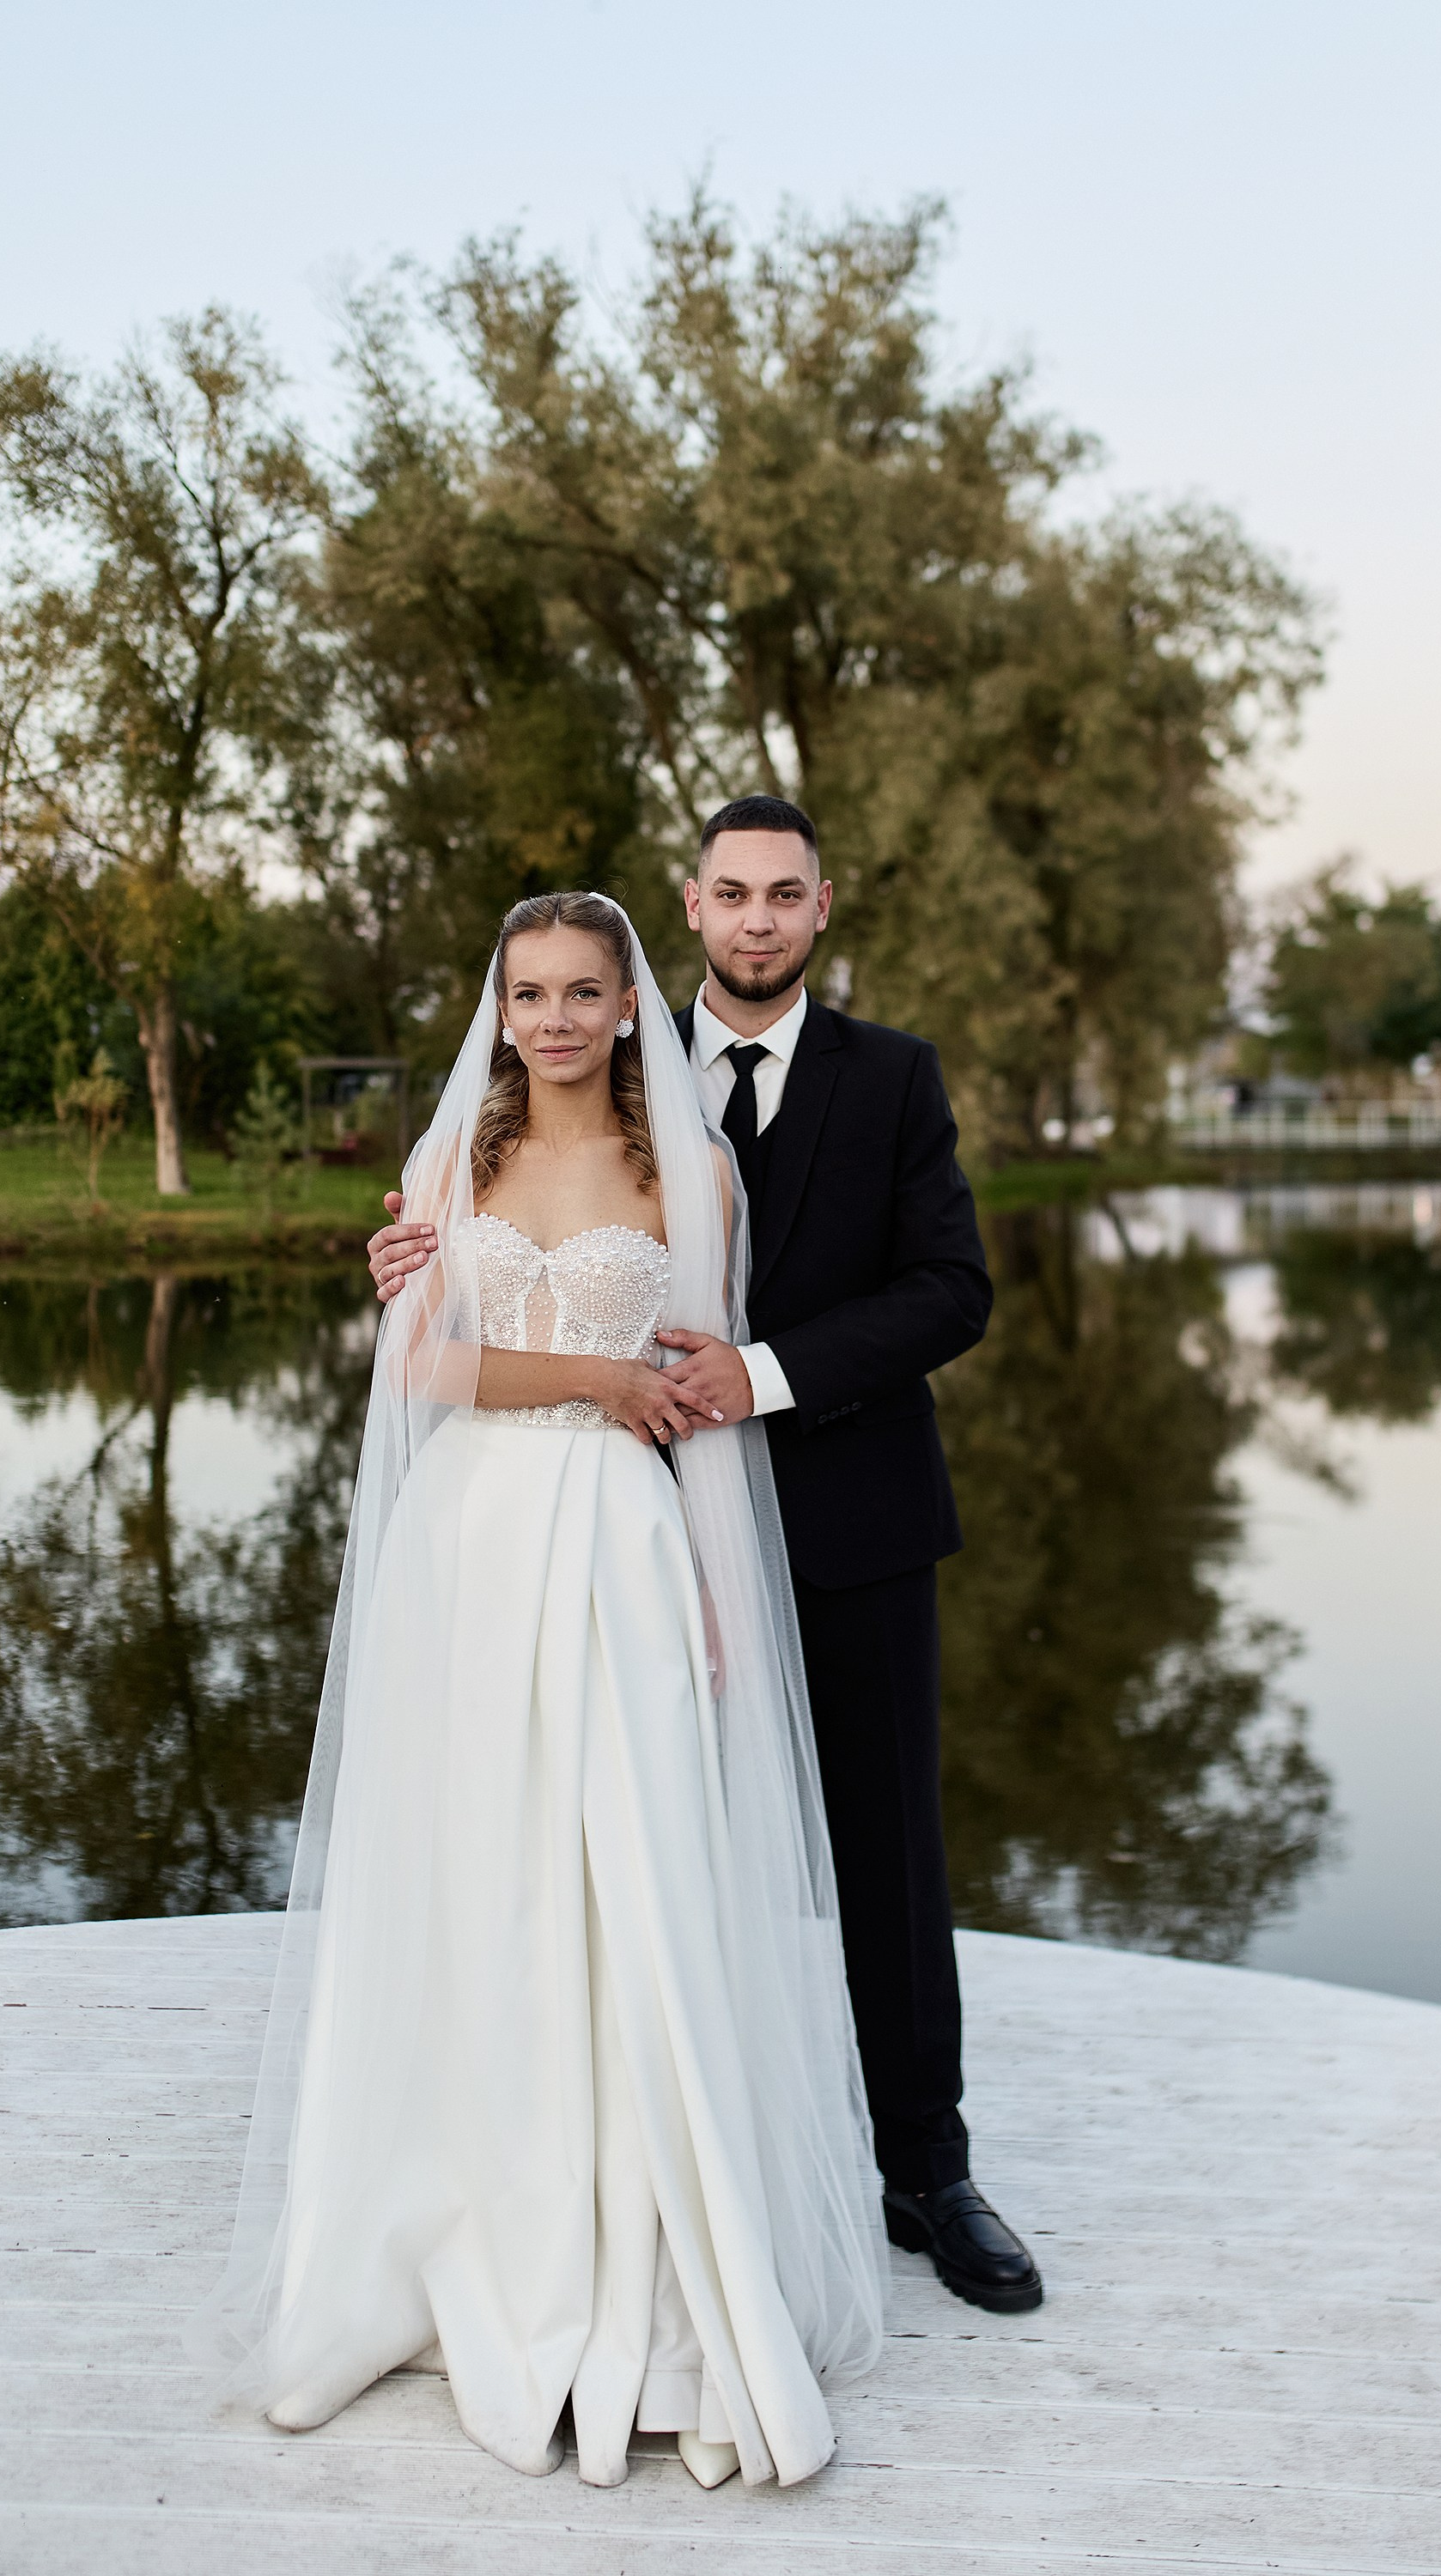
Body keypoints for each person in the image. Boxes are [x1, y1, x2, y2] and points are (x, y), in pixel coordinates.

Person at [190, 892, 886, 2492]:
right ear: (499, 1010)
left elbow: (705, 1400)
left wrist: (720, 1596)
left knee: (624, 1883)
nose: (559, 1018)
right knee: (478, 1886)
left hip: (629, 1551)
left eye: (586, 992)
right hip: (476, 1540)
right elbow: (427, 1366)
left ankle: (634, 2265)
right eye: (531, 994)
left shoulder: (692, 1172)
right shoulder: (452, 1170)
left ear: (632, 1006)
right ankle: (467, 2224)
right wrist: (598, 1375)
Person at [371, 798, 1043, 2317]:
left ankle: (926, 2171)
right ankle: (649, 2160)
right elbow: (476, 1262)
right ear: (688, 905)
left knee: (886, 1853)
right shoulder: (588, 1047)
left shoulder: (894, 1080)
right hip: (605, 1530)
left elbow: (952, 1290)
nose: (755, 919)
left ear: (820, 907)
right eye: (729, 893)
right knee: (621, 1848)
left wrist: (767, 1371)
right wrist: (408, 1253)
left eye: (782, 896)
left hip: (848, 1521)